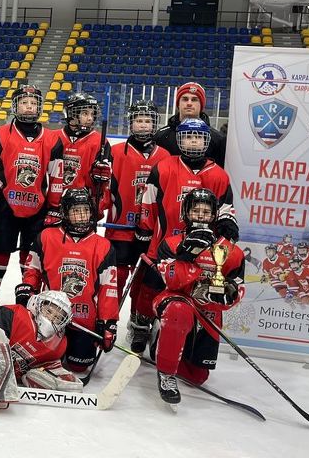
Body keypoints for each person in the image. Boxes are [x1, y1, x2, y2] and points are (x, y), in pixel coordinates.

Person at [130, 118, 236, 353]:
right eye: (188, 136)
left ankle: (184, 336)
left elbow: (226, 211)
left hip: (201, 251)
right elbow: (149, 202)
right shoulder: (164, 167)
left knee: (189, 290)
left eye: (198, 137)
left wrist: (228, 226)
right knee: (150, 286)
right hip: (164, 243)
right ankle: (141, 326)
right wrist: (145, 231)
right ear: (180, 139)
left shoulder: (219, 175)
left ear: (206, 141)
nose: (193, 141)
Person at [150, 188, 244, 406]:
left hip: (207, 311)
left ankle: (165, 346)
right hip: (175, 301)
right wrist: (187, 254)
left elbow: (239, 286)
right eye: (195, 210)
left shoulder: (231, 251)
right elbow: (172, 282)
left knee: (197, 377)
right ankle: (166, 373)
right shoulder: (172, 243)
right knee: (178, 311)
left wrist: (229, 295)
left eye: (206, 211)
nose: (201, 215)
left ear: (214, 216)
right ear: (186, 213)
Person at [18, 188, 118, 375]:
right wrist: (28, 288)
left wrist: (108, 322)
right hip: (50, 316)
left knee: (79, 365)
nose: (81, 217)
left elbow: (108, 289)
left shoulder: (103, 246)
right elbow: (33, 269)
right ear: (65, 213)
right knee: (37, 357)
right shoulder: (46, 237)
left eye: (85, 211)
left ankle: (63, 352)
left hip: (83, 319)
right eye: (76, 211)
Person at [0, 84, 55, 317]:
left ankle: (28, 304)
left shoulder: (53, 139)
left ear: (40, 107)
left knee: (31, 258)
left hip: (38, 210)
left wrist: (54, 208)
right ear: (15, 106)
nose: (29, 106)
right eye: (24, 102)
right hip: (6, 207)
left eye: (33, 103)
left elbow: (57, 176)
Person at [0, 290, 80, 403]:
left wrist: (62, 382)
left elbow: (55, 373)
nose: (51, 318)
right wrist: (2, 390)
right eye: (49, 311)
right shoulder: (13, 314)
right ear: (37, 305)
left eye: (57, 317)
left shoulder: (57, 345)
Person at [105, 101, 170, 310]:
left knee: (143, 279)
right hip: (120, 229)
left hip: (150, 232)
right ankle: (109, 320)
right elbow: (105, 191)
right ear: (131, 124)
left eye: (148, 121)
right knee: (117, 276)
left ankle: (137, 321)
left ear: (154, 124)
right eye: (139, 121)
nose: (143, 125)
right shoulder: (114, 152)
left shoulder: (165, 156)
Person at [45, 92, 111, 227]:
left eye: (92, 114)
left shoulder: (100, 142)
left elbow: (105, 184)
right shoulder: (53, 137)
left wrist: (101, 178)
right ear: (71, 115)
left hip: (82, 207)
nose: (90, 118)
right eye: (85, 113)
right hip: (52, 207)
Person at [154, 82, 227, 167]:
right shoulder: (160, 136)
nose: (189, 103)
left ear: (201, 105)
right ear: (178, 103)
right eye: (185, 99)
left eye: (194, 99)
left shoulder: (217, 139)